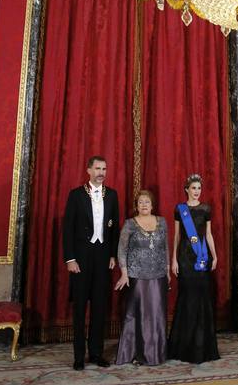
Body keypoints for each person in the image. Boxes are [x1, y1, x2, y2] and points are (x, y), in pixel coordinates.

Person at [62, 155, 119, 370]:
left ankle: (96, 353)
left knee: (99, 307)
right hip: (80, 258)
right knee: (79, 309)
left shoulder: (112, 195)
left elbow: (115, 229)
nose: (101, 172)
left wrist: (113, 255)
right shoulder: (76, 195)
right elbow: (67, 229)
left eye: (104, 168)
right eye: (97, 168)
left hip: (103, 257)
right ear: (88, 170)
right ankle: (78, 356)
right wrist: (70, 259)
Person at [168, 173, 220, 363]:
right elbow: (176, 237)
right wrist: (173, 260)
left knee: (201, 299)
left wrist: (215, 256)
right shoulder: (179, 209)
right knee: (186, 299)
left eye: (199, 188)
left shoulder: (206, 209)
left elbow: (208, 234)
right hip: (184, 258)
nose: (197, 192)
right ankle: (183, 346)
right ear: (186, 190)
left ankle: (201, 345)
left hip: (202, 258)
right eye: (193, 188)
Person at [114, 189, 169, 366]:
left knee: (156, 314)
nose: (144, 204)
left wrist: (167, 270)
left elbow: (166, 248)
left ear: (152, 205)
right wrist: (124, 273)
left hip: (158, 275)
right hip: (136, 276)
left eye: (147, 201)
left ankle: (156, 353)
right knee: (138, 315)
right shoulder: (130, 224)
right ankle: (136, 352)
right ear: (136, 206)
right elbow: (122, 250)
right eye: (140, 202)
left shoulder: (162, 222)